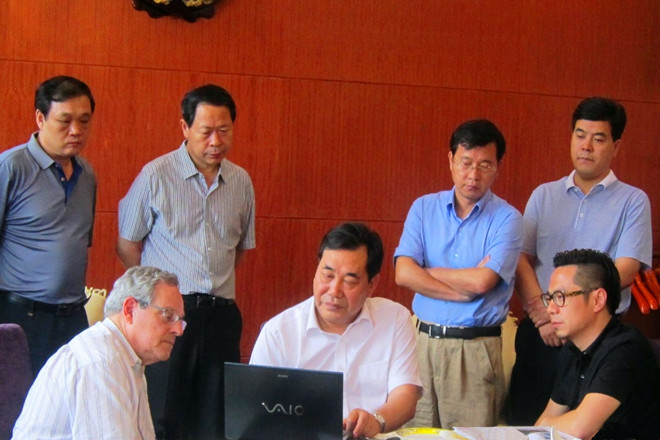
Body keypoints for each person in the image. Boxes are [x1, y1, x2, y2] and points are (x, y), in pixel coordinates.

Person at [117, 84, 256, 440]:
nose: (216, 141)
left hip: (221, 316)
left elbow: (239, 249)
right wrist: (158, 296)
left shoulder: (241, 182)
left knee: (215, 421)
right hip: (168, 315)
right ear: (185, 127)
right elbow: (127, 244)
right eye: (206, 131)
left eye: (224, 130)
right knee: (162, 415)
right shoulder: (155, 175)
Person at [507, 97, 653, 425]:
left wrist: (575, 311)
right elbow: (521, 259)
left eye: (598, 138)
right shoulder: (544, 195)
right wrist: (543, 314)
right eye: (580, 135)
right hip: (541, 332)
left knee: (585, 427)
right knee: (526, 422)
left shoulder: (632, 200)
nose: (586, 146)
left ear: (616, 146)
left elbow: (626, 269)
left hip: (597, 339)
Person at [394, 119, 522, 428]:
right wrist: (460, 291)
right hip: (421, 345)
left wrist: (427, 271)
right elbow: (403, 273)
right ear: (451, 160)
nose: (473, 175)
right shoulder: (423, 208)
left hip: (474, 351)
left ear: (498, 167)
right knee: (414, 433)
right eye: (466, 163)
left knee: (468, 436)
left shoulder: (508, 219)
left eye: (485, 165)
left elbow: (482, 281)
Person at [250, 222, 422, 439]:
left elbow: (406, 396)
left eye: (349, 280)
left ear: (372, 285)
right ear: (315, 273)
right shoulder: (278, 333)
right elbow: (255, 411)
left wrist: (376, 420)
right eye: (327, 275)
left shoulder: (394, 319)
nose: (334, 291)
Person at [12, 266, 186, 440]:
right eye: (168, 316)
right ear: (130, 310)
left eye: (180, 321)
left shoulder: (127, 358)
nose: (178, 330)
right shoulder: (100, 362)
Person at [0, 75, 97, 377]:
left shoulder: (87, 174)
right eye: (65, 121)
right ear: (41, 118)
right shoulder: (11, 167)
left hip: (73, 318)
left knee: (71, 400)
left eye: (84, 121)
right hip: (20, 316)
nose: (76, 130)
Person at [535, 249, 660, 440]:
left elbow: (580, 429)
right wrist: (544, 426)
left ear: (597, 300)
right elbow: (543, 424)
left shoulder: (626, 348)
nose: (551, 309)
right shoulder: (572, 350)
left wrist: (546, 425)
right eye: (550, 298)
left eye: (560, 297)